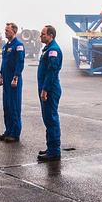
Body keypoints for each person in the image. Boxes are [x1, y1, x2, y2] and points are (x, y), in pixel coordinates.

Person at [37, 25, 63, 161]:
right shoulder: (47, 49)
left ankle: (54, 151)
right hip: (46, 88)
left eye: (43, 34)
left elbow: (51, 71)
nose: (40, 36)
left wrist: (45, 89)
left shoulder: (53, 50)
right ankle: (50, 147)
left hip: (50, 89)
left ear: (51, 35)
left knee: (51, 119)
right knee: (47, 119)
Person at [0, 22, 25, 142]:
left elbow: (20, 62)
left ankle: (15, 133)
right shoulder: (5, 46)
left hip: (14, 80)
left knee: (14, 106)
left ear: (14, 31)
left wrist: (16, 77)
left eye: (7, 30)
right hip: (6, 79)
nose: (5, 32)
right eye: (5, 30)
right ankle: (8, 131)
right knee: (7, 107)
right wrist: (1, 75)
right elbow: (4, 62)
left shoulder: (18, 45)